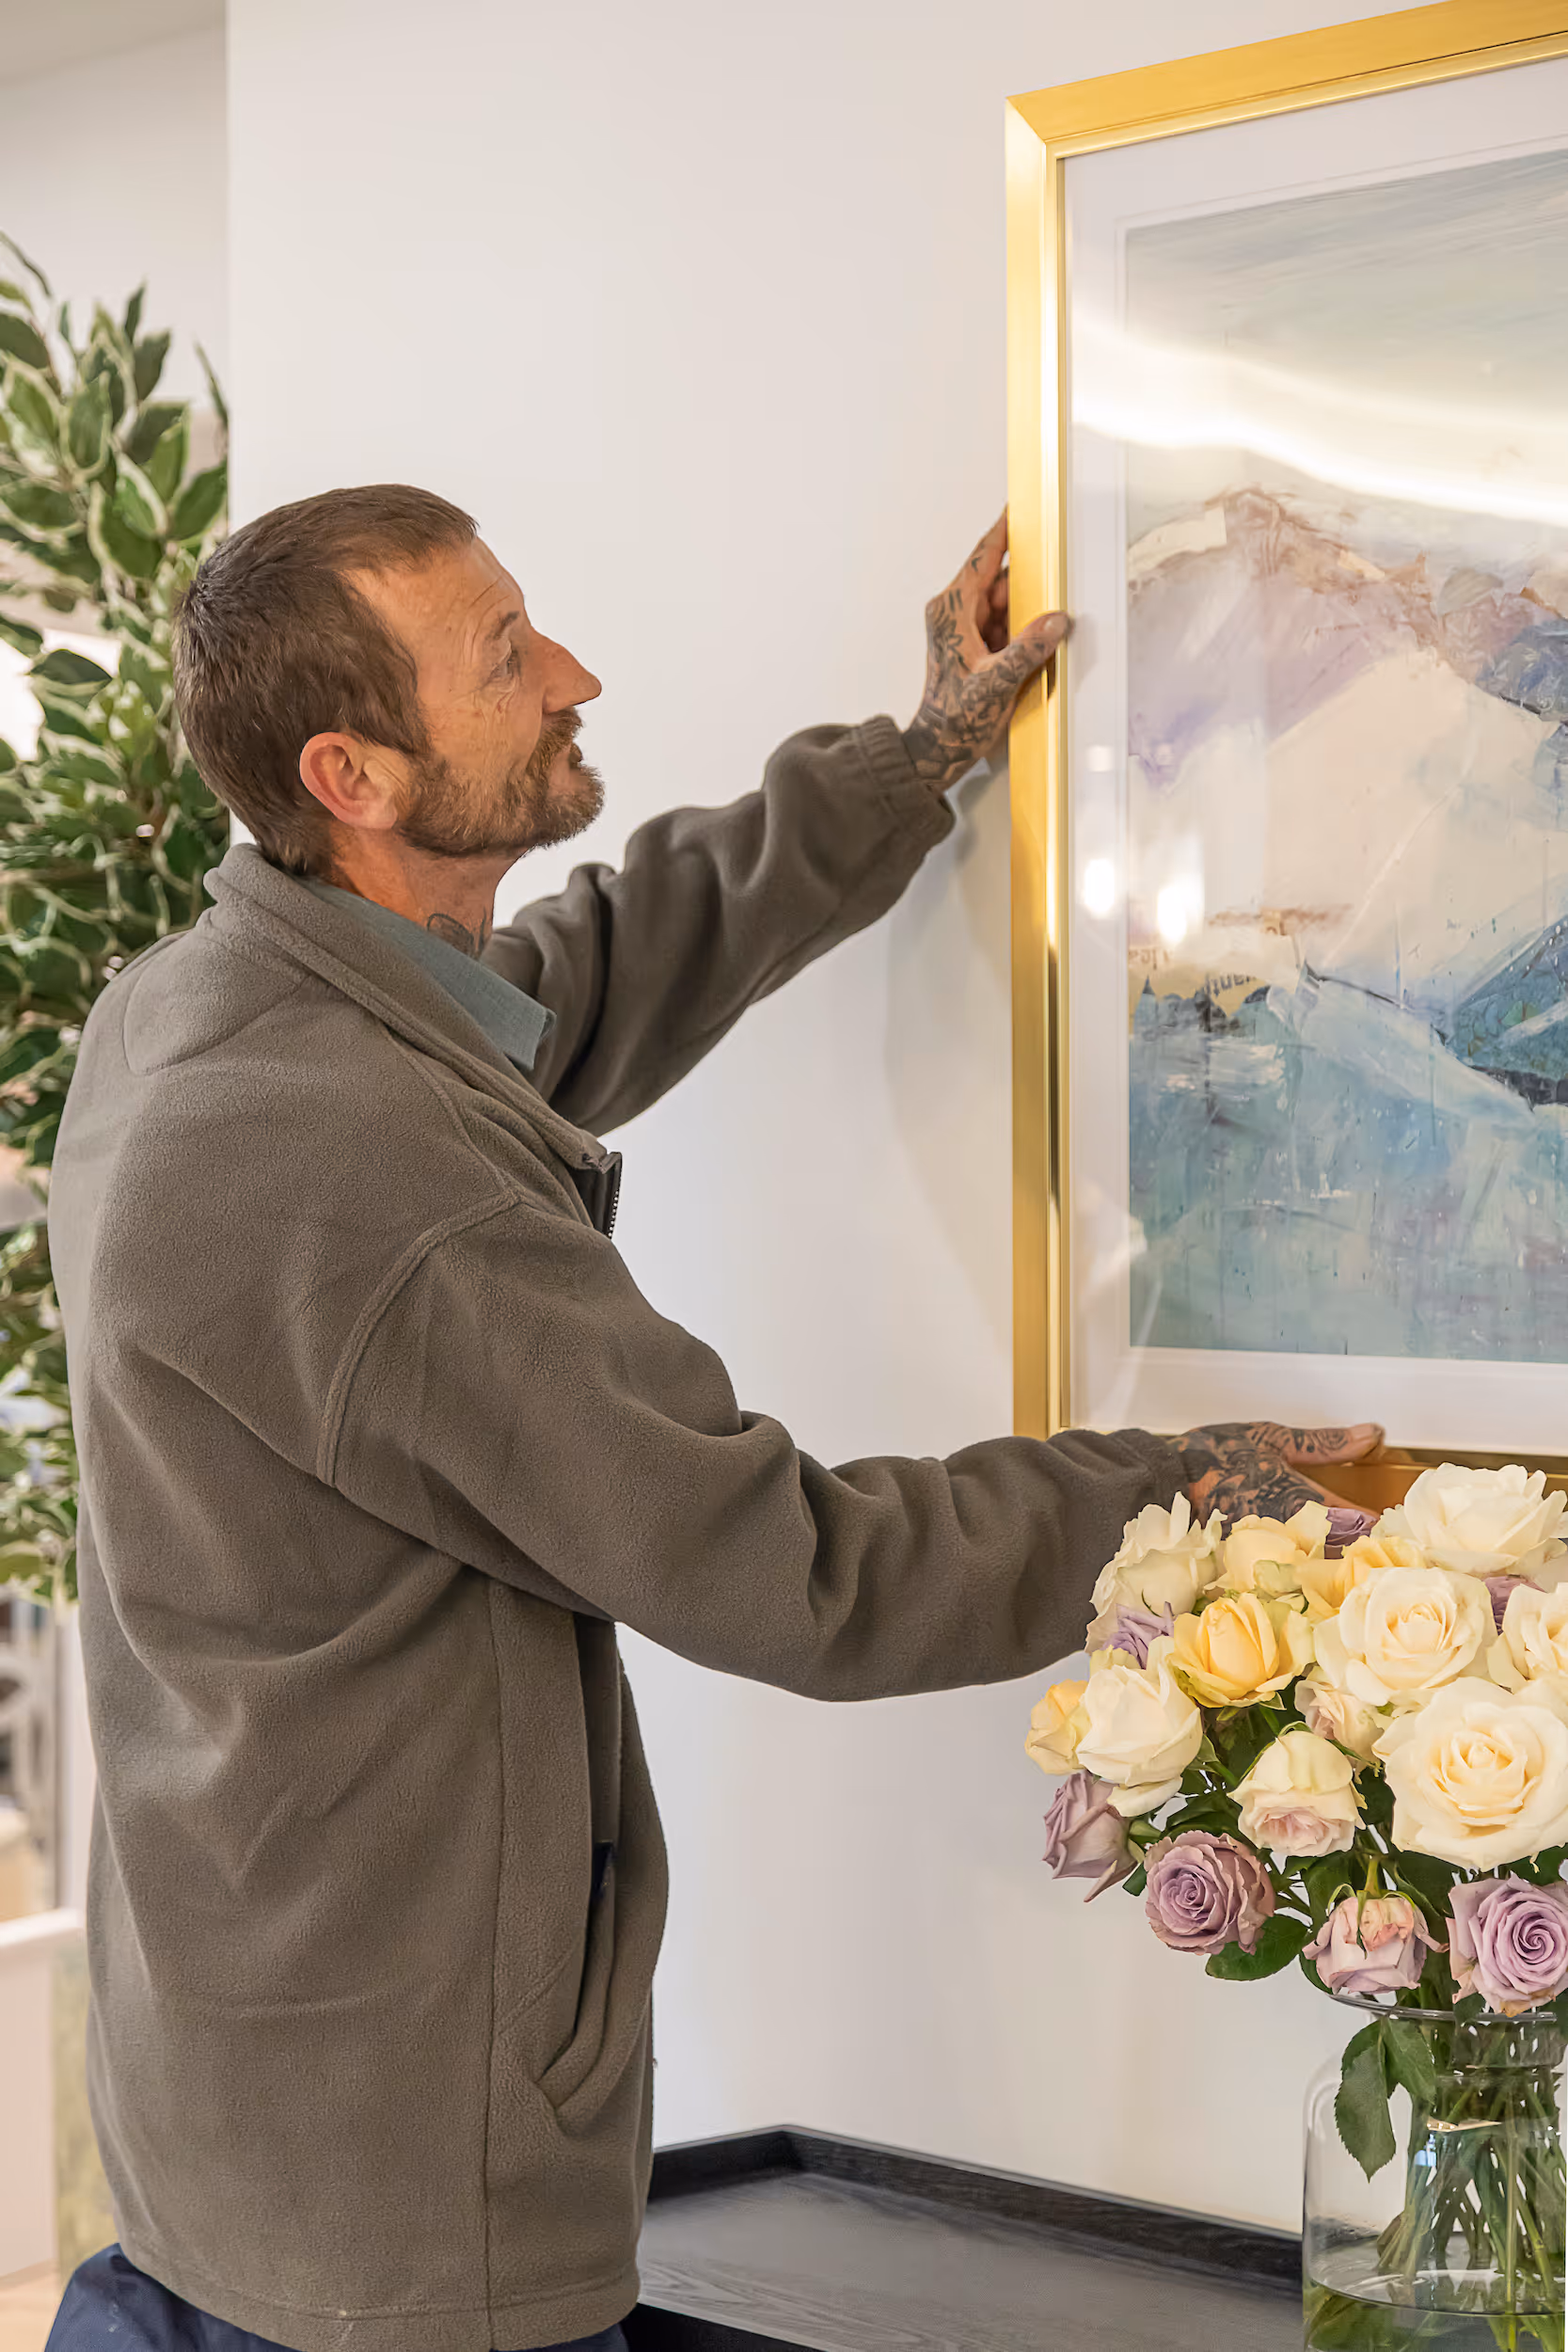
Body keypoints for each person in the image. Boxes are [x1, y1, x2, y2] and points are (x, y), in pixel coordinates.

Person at [44, 486, 1380, 2352]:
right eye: (506, 660)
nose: (575, 674)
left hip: (232, 2112)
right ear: (352, 771)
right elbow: (796, 1573)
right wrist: (1171, 1492)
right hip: (397, 2216)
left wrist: (909, 763)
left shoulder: (207, 1014)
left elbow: (560, 992)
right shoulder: (365, 1173)